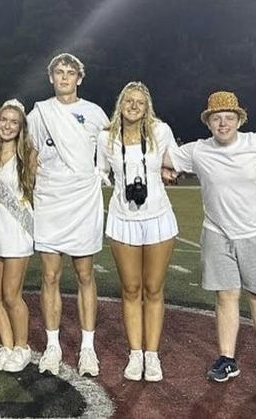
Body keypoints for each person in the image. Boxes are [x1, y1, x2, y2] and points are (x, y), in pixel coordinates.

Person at [167, 91, 256, 388]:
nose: (223, 124)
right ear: (208, 122)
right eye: (217, 118)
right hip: (217, 233)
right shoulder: (196, 151)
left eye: (229, 118)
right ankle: (227, 357)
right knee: (225, 296)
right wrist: (163, 170)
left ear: (239, 120)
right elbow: (157, 158)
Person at [26, 52, 109, 377]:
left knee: (85, 275)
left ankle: (87, 348)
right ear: (51, 77)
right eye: (59, 72)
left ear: (79, 78)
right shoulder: (39, 113)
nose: (64, 77)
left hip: (83, 200)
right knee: (49, 276)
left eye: (70, 73)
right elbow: (30, 156)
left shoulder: (93, 113)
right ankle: (52, 346)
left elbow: (110, 146)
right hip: (49, 199)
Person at [96, 82, 179, 382]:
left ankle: (152, 356)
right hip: (122, 219)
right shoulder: (105, 136)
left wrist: (172, 171)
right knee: (131, 289)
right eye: (128, 101)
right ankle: (135, 354)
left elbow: (177, 161)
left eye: (139, 102)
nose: (133, 106)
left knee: (154, 289)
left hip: (158, 217)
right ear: (120, 103)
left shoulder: (161, 131)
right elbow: (98, 172)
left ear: (147, 107)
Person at [0, 99, 37, 373]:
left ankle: (23, 347)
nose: (8, 126)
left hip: (15, 224)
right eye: (4, 120)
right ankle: (8, 346)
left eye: (14, 122)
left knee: (13, 294)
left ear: (21, 126)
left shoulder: (28, 154)